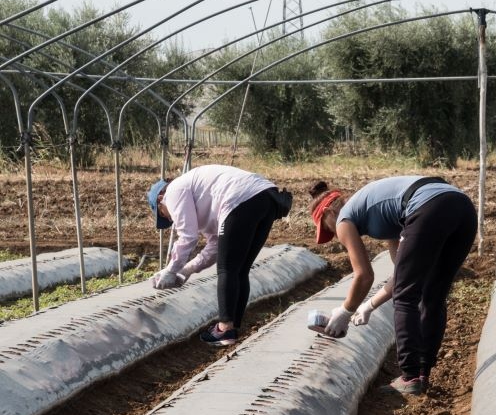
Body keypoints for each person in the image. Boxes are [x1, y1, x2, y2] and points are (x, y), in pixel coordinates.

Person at [308, 175, 476, 395]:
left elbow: (364, 275)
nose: (332, 234)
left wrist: (345, 311)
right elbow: (402, 274)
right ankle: (422, 373)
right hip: (461, 207)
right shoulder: (381, 212)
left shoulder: (343, 219)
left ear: (329, 212)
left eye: (326, 228)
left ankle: (410, 376)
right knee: (432, 297)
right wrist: (368, 306)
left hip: (429, 207)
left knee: (406, 298)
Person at [147, 164, 292, 347]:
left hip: (240, 198)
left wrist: (170, 270)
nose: (169, 219)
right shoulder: (199, 197)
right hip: (265, 198)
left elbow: (188, 237)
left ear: (161, 198)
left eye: (163, 214)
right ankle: (233, 327)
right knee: (240, 269)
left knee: (227, 269)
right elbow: (215, 245)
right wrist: (187, 270)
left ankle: (224, 329)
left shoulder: (174, 191)